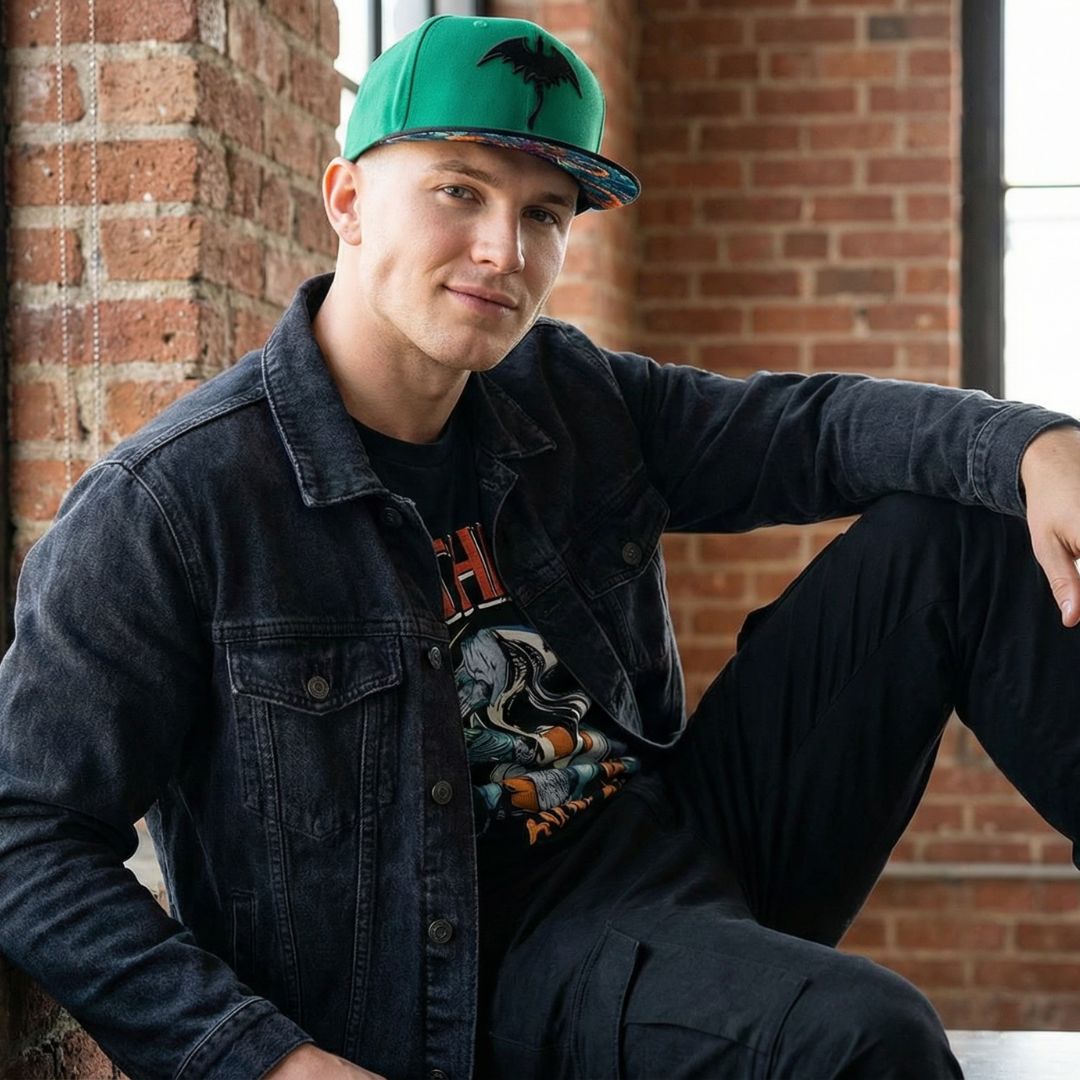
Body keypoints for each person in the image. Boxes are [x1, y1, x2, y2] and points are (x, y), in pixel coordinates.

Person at [2, 13, 1080, 1080]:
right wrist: (264, 1062)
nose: (503, 251)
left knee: (967, 525)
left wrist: (1036, 444)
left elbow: (814, 428)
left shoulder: (564, 396)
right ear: (347, 201)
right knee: (867, 1033)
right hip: (486, 967)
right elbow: (26, 836)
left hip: (684, 838)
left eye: (544, 213)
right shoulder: (174, 503)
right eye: (458, 192)